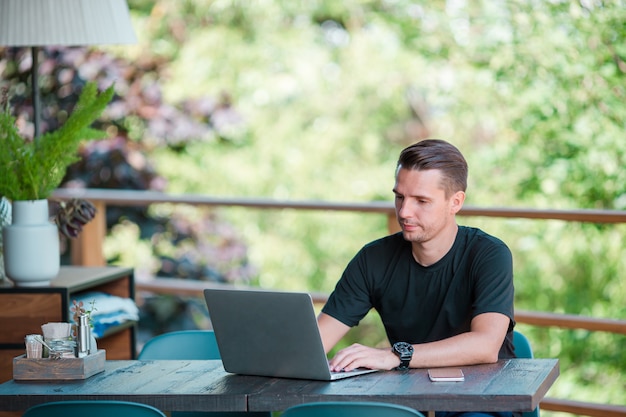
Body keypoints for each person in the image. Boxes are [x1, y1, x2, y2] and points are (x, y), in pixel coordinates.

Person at [317, 139, 516, 417]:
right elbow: (316, 345)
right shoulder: (373, 259)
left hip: (481, 402)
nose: (404, 212)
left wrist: (394, 355)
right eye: (400, 197)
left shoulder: (489, 254)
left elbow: (485, 345)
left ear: (455, 202)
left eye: (421, 201)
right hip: (410, 403)